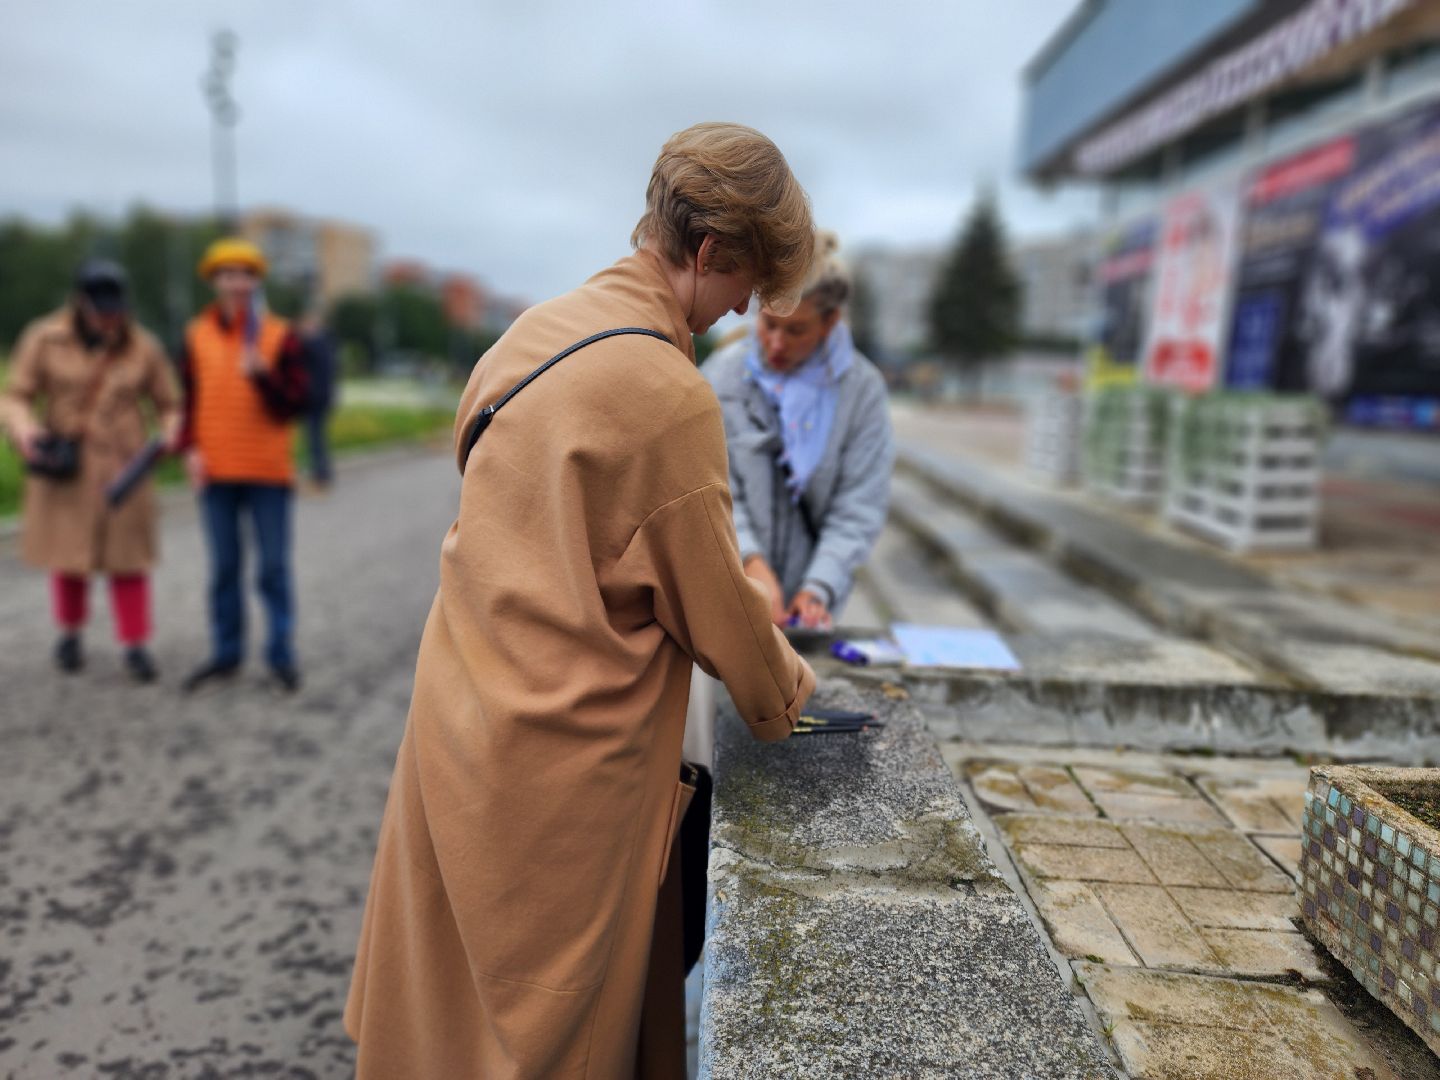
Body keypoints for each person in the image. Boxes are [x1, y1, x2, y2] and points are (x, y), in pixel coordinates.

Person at [345, 122, 817, 1079]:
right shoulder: (665, 393)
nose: (737, 315)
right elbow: (716, 606)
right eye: (744, 288)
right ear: (711, 251)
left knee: (446, 1008)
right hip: (567, 766)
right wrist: (791, 696)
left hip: (461, 711)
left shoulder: (531, 335)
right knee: (551, 1031)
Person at [704, 232, 895, 631]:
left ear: (830, 323)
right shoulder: (723, 376)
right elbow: (712, 487)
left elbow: (858, 505)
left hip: (808, 612)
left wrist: (818, 588)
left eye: (796, 331)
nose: (775, 343)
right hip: (731, 591)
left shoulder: (862, 391)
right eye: (769, 324)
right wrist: (750, 562)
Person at [0, 260, 181, 682]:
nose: (108, 319)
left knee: (129, 560)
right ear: (80, 302)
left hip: (124, 468)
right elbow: (15, 397)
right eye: (100, 310)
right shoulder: (43, 339)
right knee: (69, 556)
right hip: (67, 463)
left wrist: (170, 433)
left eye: (115, 310)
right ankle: (70, 634)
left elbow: (169, 404)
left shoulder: (144, 347)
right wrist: (26, 431)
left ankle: (135, 643)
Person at [176, 238, 309, 693]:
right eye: (227, 274)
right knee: (224, 568)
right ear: (214, 281)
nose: (237, 282)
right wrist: (189, 449)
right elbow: (187, 400)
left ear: (256, 282)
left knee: (272, 568)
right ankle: (226, 653)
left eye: (245, 274)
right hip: (215, 470)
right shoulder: (195, 334)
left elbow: (296, 402)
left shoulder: (279, 335)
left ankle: (281, 655)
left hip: (268, 470)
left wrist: (263, 376)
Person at [296, 310, 337, 489]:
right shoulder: (326, 343)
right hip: (322, 399)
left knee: (314, 439)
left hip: (314, 400)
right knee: (318, 438)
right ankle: (322, 473)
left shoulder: (315, 344)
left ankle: (320, 475)